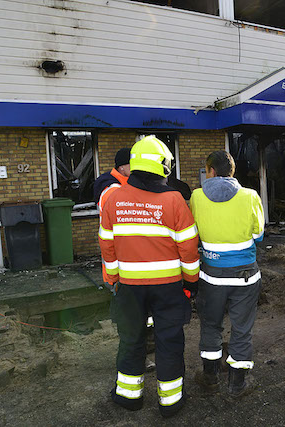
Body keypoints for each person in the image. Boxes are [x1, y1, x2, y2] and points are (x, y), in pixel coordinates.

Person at [98, 136, 200, 418]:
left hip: (129, 286)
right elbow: (188, 248)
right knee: (169, 340)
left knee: (131, 338)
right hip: (168, 287)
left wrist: (115, 279)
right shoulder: (174, 200)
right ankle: (170, 401)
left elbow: (107, 244)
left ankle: (129, 396)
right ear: (163, 166)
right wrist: (191, 282)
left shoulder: (113, 198)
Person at [190, 150, 264, 398]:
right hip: (245, 276)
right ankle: (238, 385)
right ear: (232, 172)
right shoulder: (250, 196)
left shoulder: (197, 197)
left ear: (210, 171)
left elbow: (194, 233)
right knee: (242, 329)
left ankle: (210, 378)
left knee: (211, 326)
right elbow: (258, 235)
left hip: (211, 277)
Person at [94, 148, 131, 286]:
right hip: (118, 262)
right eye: (132, 165)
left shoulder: (119, 185)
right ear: (121, 167)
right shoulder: (113, 190)